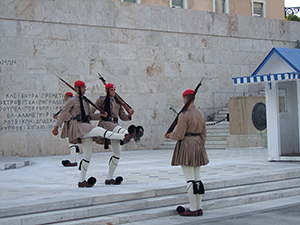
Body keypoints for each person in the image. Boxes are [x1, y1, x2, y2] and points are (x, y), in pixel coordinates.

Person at [52, 80, 135, 188]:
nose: (84, 90)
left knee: (87, 155)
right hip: (78, 126)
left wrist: (101, 116)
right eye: (82, 88)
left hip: (86, 124)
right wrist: (56, 127)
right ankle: (124, 136)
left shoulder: (85, 101)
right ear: (76, 89)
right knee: (99, 130)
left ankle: (81, 181)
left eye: (84, 88)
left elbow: (89, 116)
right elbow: (63, 113)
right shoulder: (72, 101)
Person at [164, 89, 209, 216]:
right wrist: (200, 146)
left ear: (185, 99)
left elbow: (180, 134)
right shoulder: (200, 114)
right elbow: (204, 134)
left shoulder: (183, 114)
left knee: (190, 179)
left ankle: (193, 209)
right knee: (197, 178)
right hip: (198, 144)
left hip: (187, 145)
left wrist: (169, 135)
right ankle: (199, 207)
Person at [92, 83, 143, 185]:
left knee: (117, 153)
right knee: (119, 130)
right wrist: (100, 115)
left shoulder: (117, 102)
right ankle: (128, 134)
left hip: (115, 125)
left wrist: (129, 114)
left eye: (114, 90)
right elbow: (90, 113)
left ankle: (109, 178)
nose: (113, 92)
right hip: (105, 124)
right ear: (106, 91)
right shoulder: (101, 100)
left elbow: (122, 116)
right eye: (111, 90)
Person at [53, 92, 80, 167]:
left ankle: (73, 161)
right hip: (72, 125)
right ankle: (74, 159)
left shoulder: (70, 105)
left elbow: (67, 117)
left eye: (65, 97)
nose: (64, 98)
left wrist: (58, 118)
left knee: (71, 145)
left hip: (70, 126)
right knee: (73, 145)